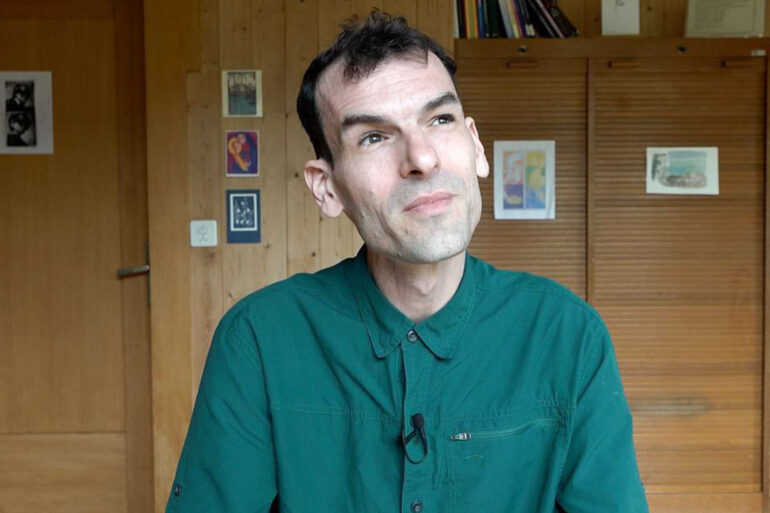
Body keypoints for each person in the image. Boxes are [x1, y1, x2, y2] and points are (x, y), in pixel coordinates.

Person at [165, 10, 648, 513]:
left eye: (440, 120)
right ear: (326, 187)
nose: (422, 157)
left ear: (476, 146)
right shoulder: (259, 341)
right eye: (374, 137)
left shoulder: (568, 335)